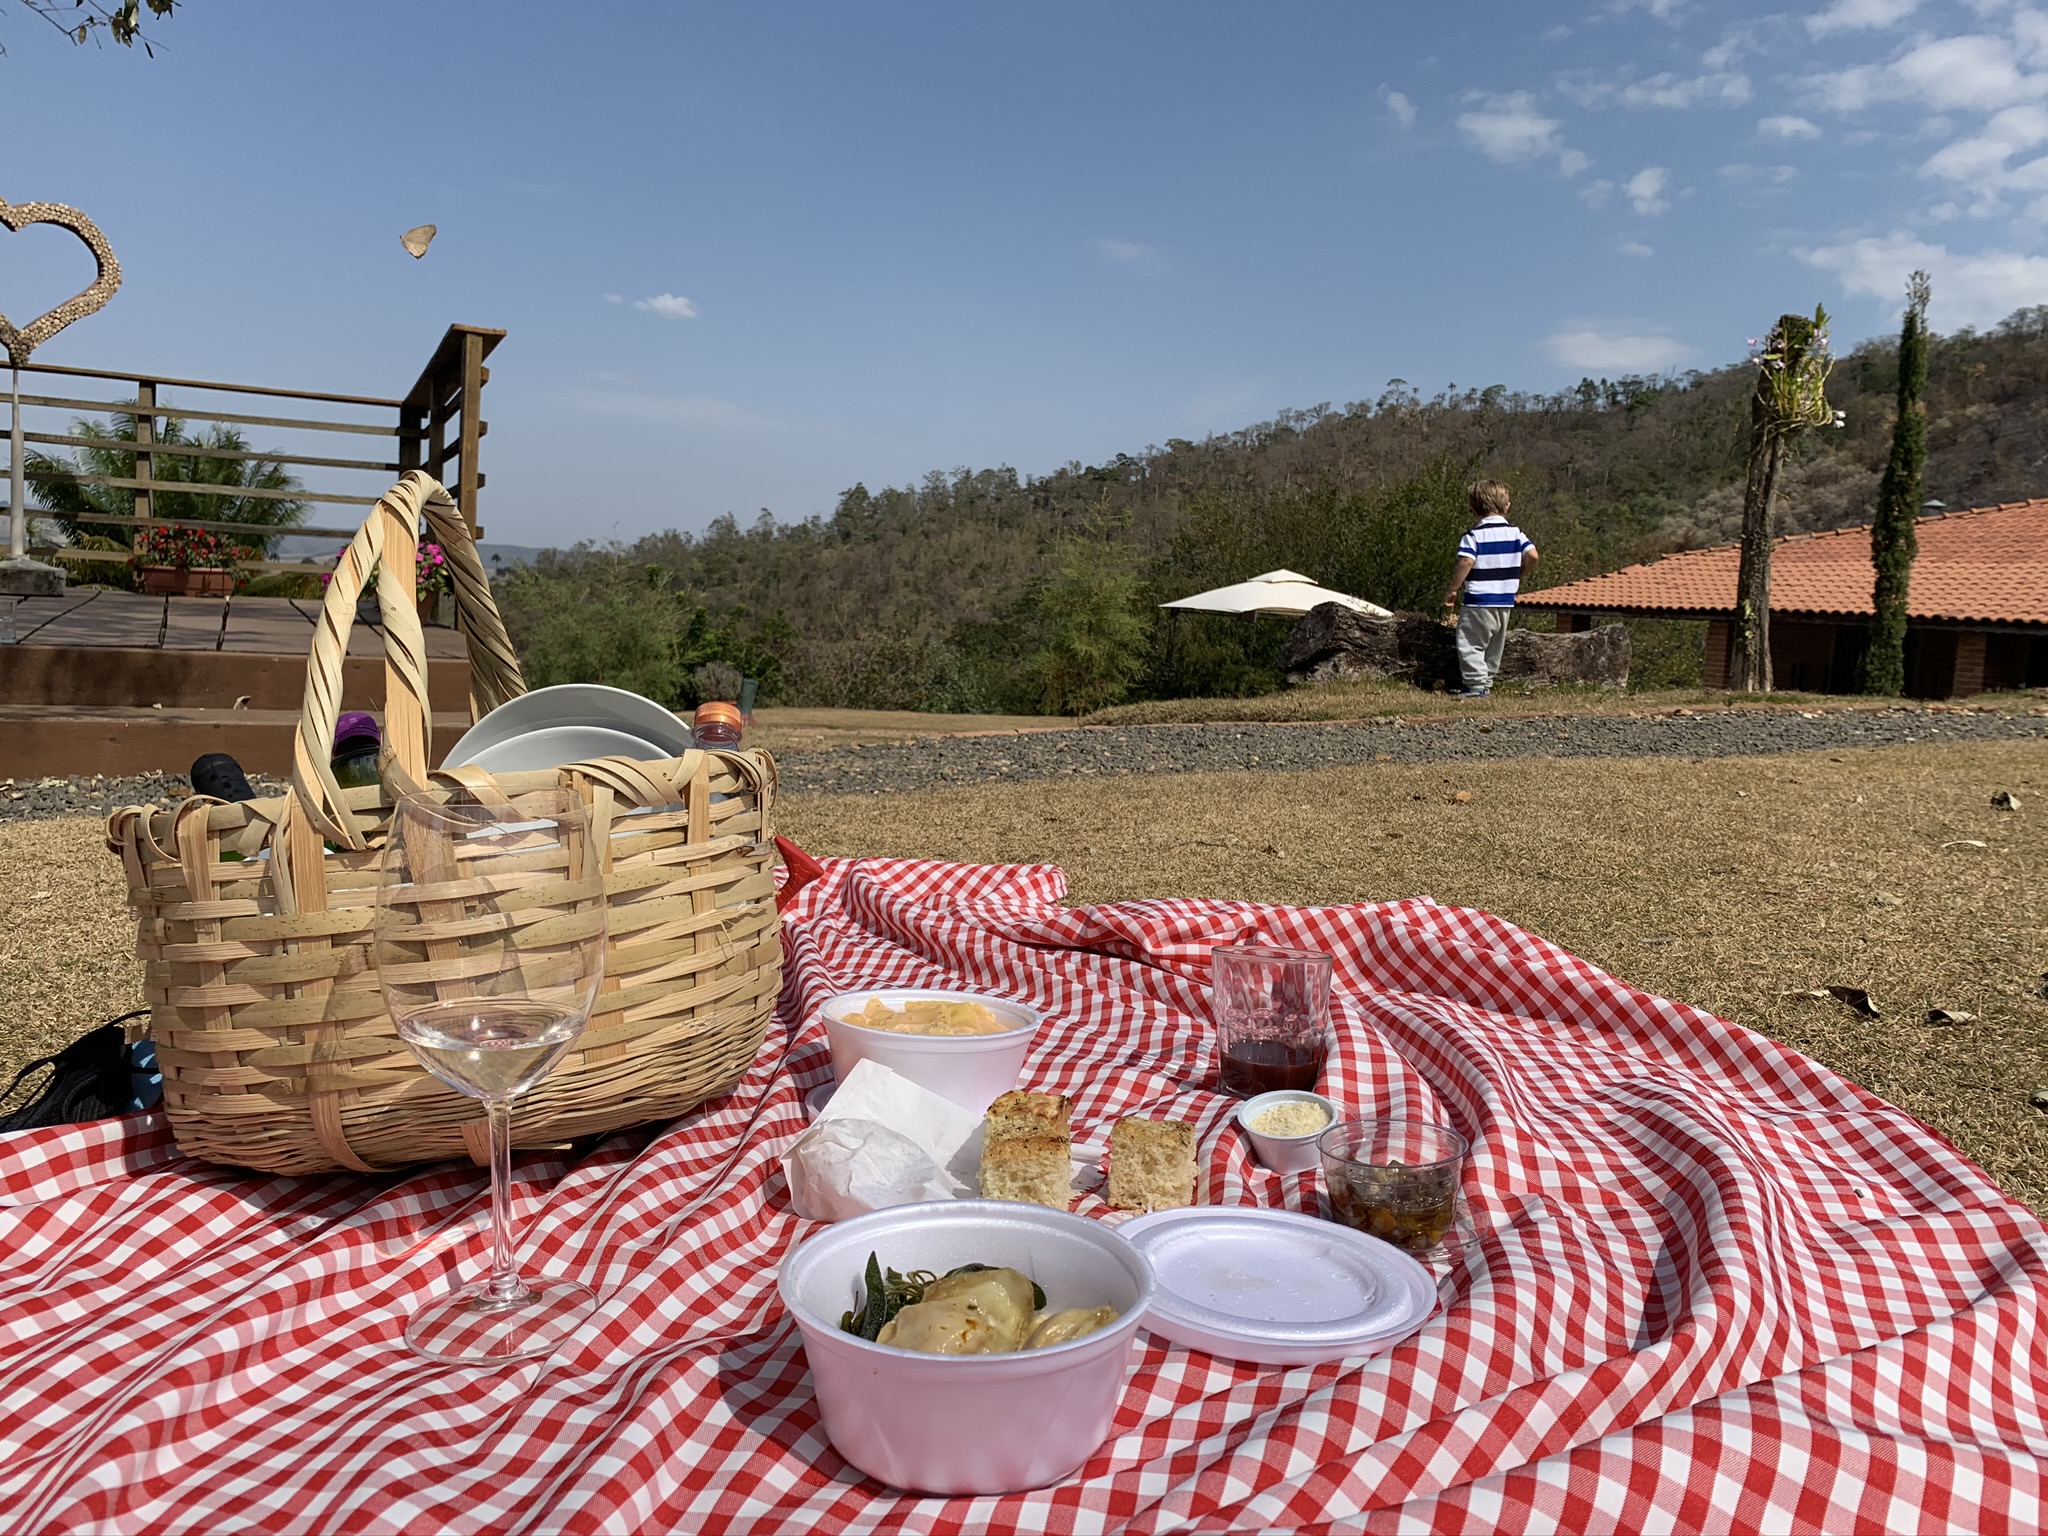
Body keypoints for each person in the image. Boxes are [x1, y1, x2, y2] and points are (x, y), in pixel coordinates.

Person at [1441, 480, 1538, 698]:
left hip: (1479, 600)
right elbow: (1533, 555)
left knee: (1471, 642)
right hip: (1504, 600)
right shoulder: (1516, 534)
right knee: (1495, 644)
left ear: (1472, 510)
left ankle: (1475, 686)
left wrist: (1453, 589)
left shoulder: (1473, 536)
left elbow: (1466, 562)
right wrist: (1520, 572)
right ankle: (1486, 682)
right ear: (1507, 507)